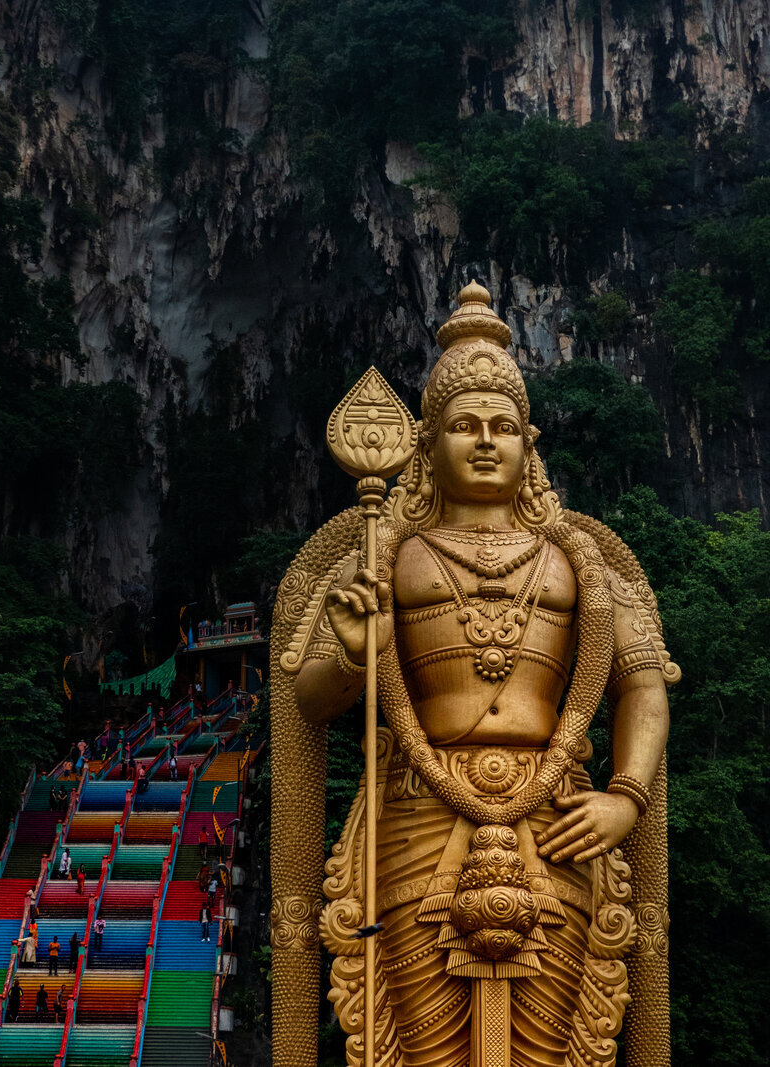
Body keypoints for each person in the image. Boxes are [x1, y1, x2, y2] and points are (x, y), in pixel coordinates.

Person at [270, 283, 679, 1067]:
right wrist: (358, 650)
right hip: (420, 818)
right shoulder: (383, 554)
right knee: (424, 1049)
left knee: (554, 1048)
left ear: (529, 442)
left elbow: (642, 680)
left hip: (556, 816)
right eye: (463, 426)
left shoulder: (580, 559)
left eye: (501, 427)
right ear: (427, 445)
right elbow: (310, 699)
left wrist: (625, 797)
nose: (484, 442)